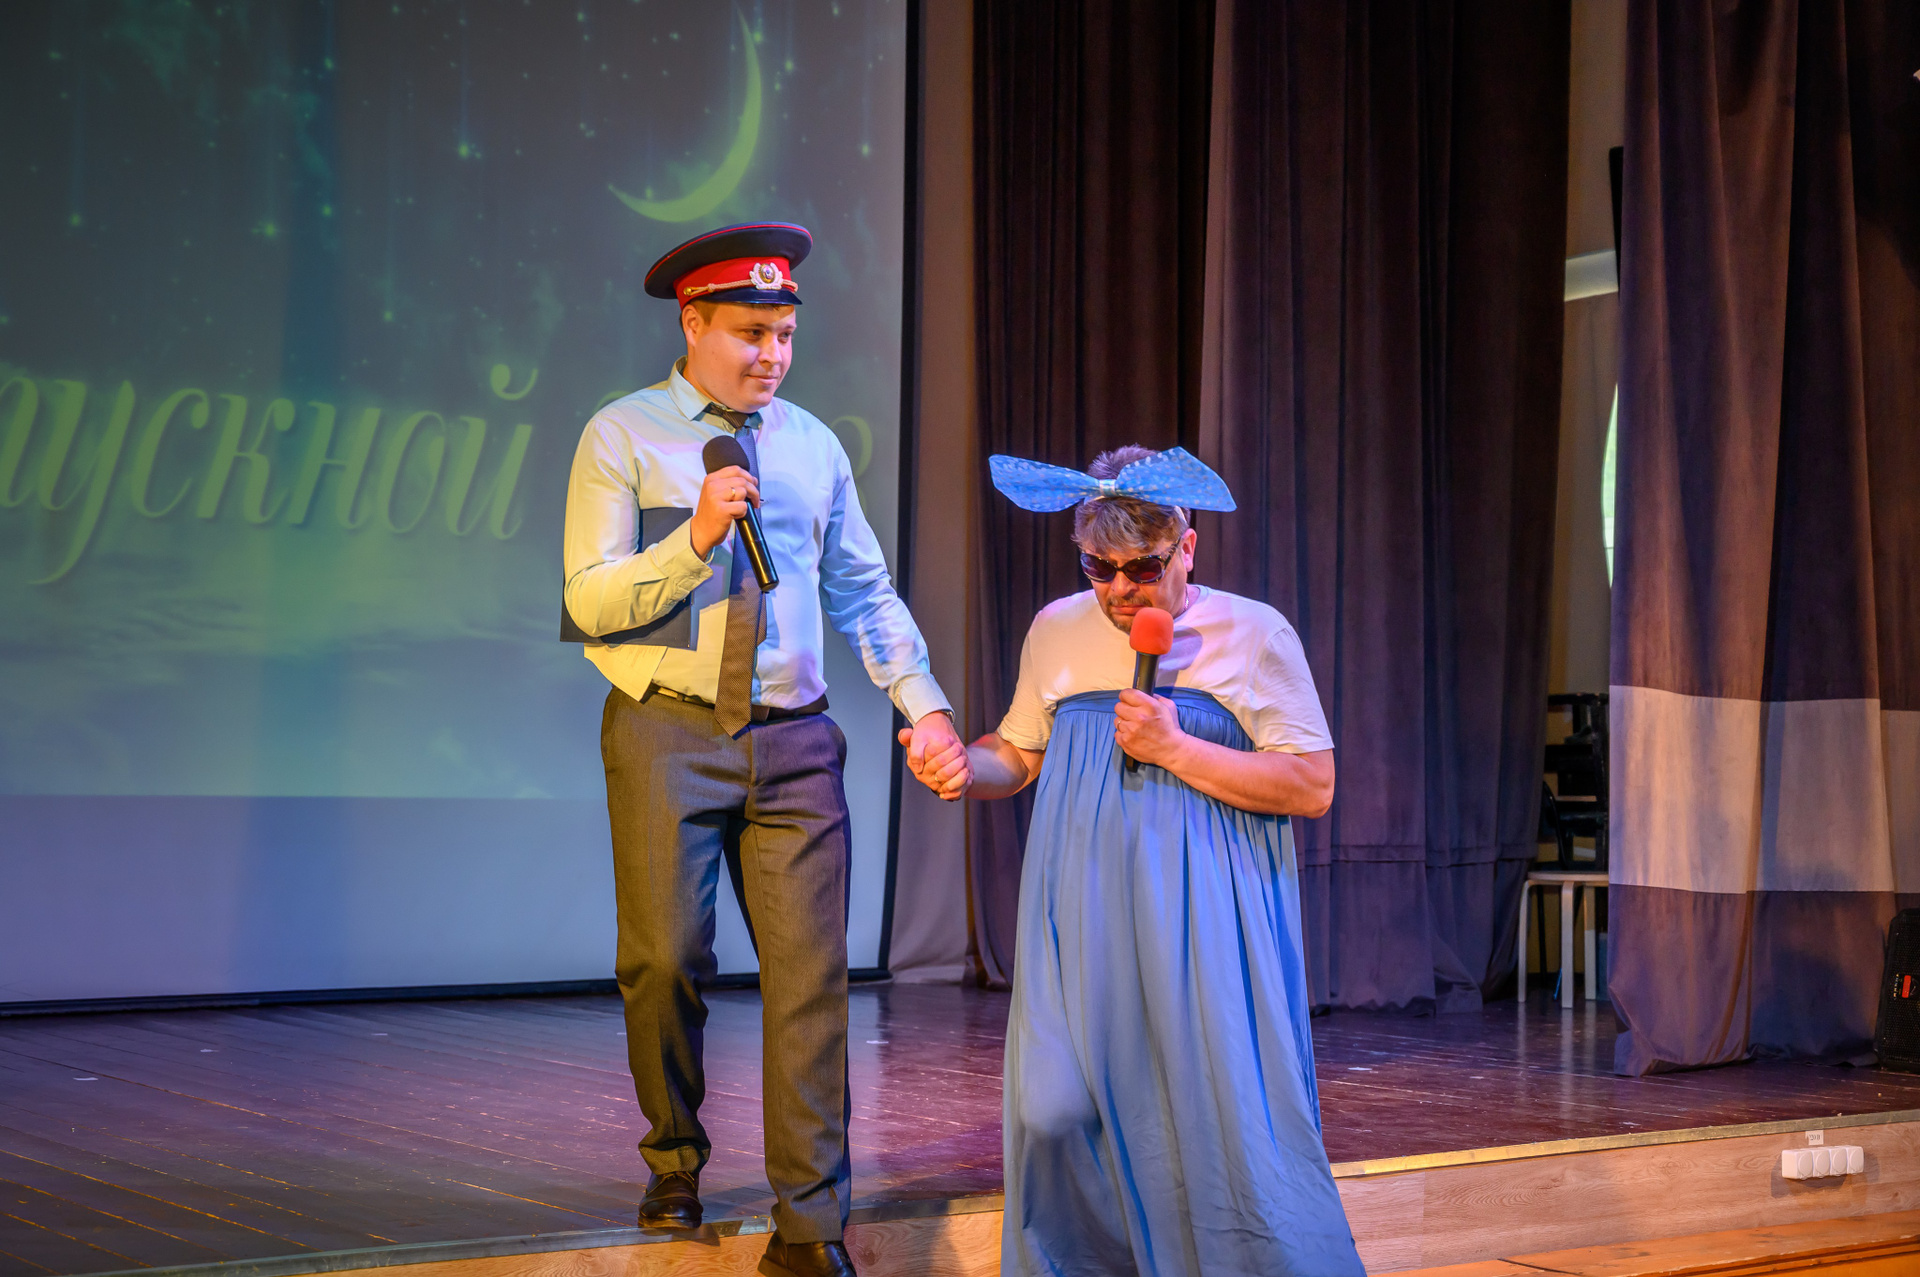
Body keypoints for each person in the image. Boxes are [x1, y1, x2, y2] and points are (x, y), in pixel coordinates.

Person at [561, 222, 970, 1277]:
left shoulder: (813, 445)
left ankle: (809, 1226)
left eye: (785, 333)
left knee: (810, 982)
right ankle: (674, 1154)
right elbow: (589, 602)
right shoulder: (622, 433)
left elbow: (862, 590)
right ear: (693, 322)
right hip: (667, 726)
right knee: (662, 961)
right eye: (751, 333)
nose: (772, 355)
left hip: (795, 740)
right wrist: (694, 536)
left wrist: (923, 705)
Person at [946, 444, 1365, 1276]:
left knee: (1211, 1118)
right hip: (1081, 907)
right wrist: (963, 766)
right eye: (1098, 568)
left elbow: (1312, 784)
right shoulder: (1056, 627)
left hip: (1202, 913)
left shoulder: (1254, 632)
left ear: (1188, 547)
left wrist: (1176, 747)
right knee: (1051, 1110)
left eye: (1142, 567)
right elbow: (1018, 752)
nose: (1119, 590)